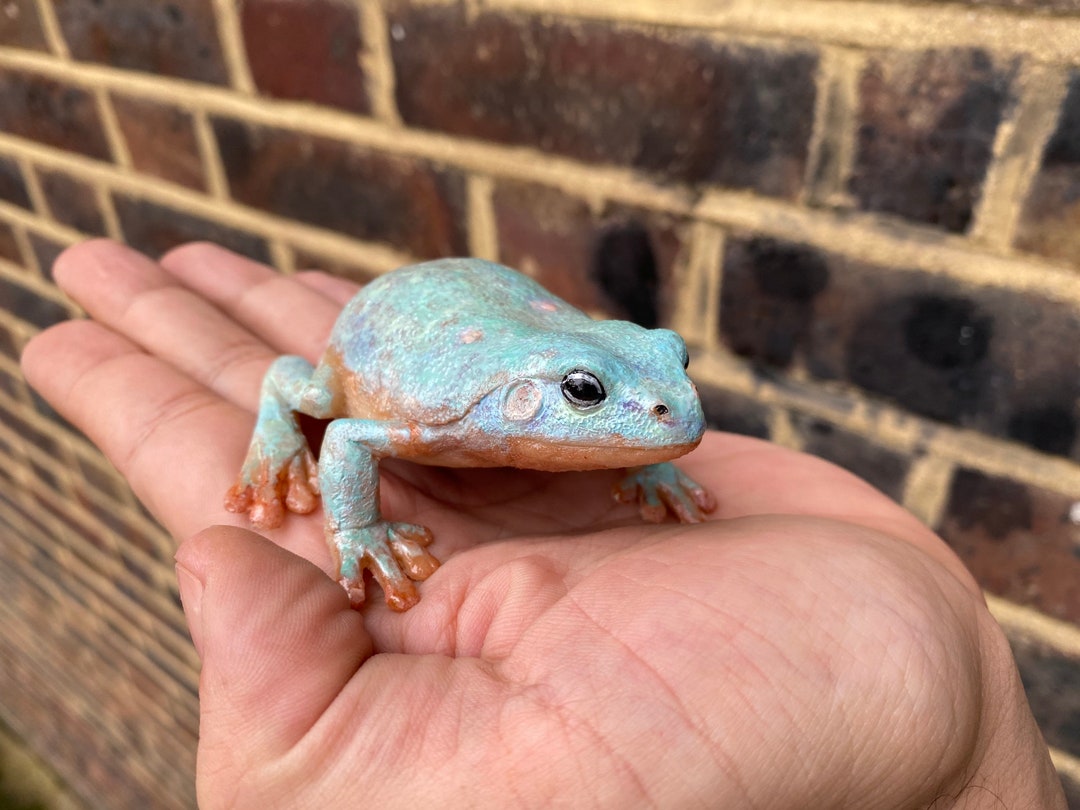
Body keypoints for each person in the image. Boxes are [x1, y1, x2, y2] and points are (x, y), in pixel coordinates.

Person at [21, 240, 1065, 809]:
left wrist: (645, 453)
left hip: (509, 321)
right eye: (584, 394)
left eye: (671, 373)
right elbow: (349, 441)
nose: (669, 414)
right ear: (536, 389)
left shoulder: (623, 393)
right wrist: (355, 531)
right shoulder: (441, 414)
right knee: (304, 388)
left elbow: (636, 383)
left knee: (620, 390)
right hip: (393, 340)